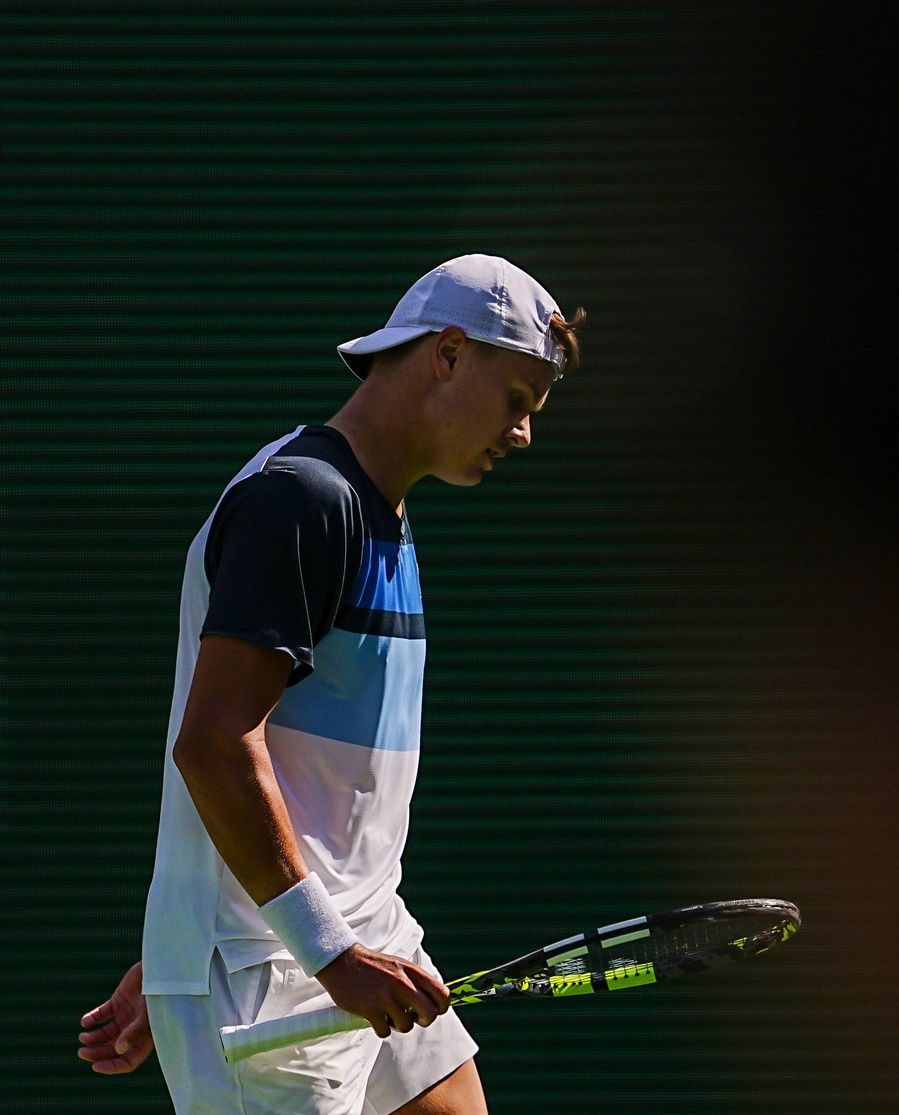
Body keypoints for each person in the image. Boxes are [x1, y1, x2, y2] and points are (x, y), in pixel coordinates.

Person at [76, 254, 585, 1114]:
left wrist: (185, 939)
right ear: (449, 353)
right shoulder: (302, 500)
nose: (523, 432)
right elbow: (214, 744)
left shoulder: (376, 509)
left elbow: (306, 777)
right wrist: (293, 950)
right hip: (277, 975)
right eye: (516, 399)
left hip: (359, 936)